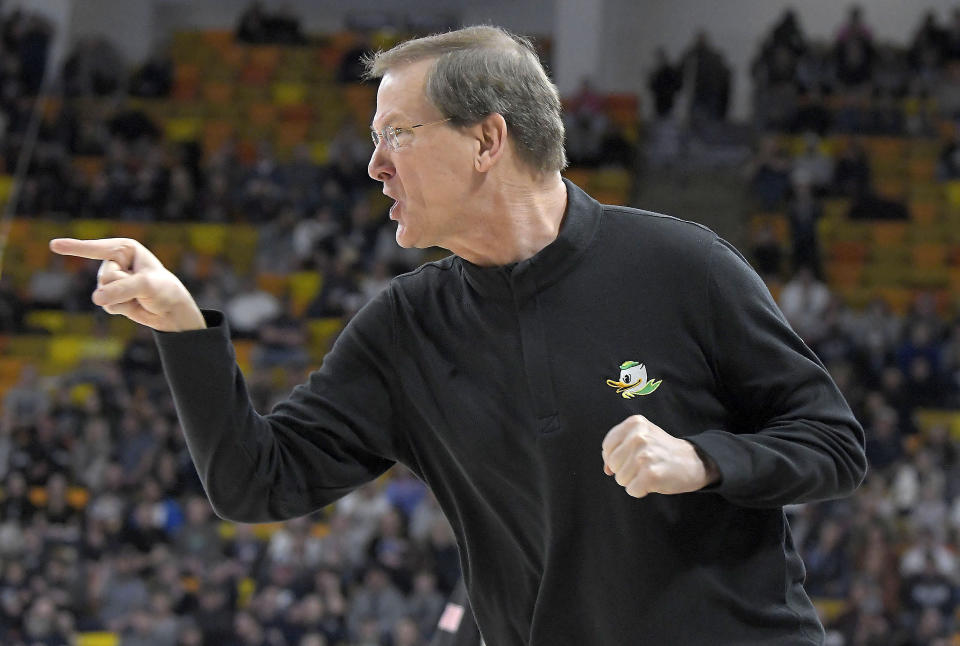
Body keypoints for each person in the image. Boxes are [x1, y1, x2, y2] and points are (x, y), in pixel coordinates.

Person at [50, 25, 866, 645]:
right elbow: (257, 483)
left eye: (397, 135)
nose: (374, 166)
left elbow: (833, 444)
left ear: (487, 139)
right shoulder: (404, 327)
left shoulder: (680, 264)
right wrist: (185, 331)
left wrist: (706, 459)